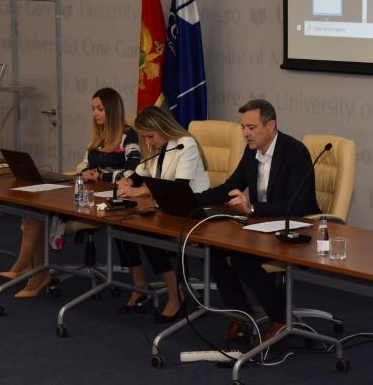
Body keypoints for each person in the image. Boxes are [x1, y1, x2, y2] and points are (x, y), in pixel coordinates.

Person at [196, 99, 320, 343]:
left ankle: (280, 318)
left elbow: (298, 204)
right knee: (213, 248)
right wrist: (192, 201)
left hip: (295, 228)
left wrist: (253, 208)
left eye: (251, 127)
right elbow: (231, 186)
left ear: (270, 125)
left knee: (243, 258)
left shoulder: (295, 152)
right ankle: (242, 313)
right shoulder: (251, 151)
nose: (245, 133)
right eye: (243, 127)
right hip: (262, 226)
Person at [0, 88, 141, 298]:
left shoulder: (128, 136)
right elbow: (82, 166)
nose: (95, 113)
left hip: (110, 200)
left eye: (100, 109)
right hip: (86, 194)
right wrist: (86, 173)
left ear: (112, 110)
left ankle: (27, 266)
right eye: (92, 109)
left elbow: (134, 171)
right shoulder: (98, 136)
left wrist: (102, 176)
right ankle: (35, 271)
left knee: (41, 210)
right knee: (36, 206)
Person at [114, 105, 210, 322]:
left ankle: (175, 294)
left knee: (147, 231)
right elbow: (142, 173)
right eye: (144, 137)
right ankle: (140, 284)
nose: (147, 142)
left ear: (163, 128)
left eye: (150, 136)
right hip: (167, 208)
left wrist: (139, 191)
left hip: (191, 213)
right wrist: (129, 181)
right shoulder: (157, 145)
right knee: (121, 223)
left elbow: (177, 187)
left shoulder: (185, 144)